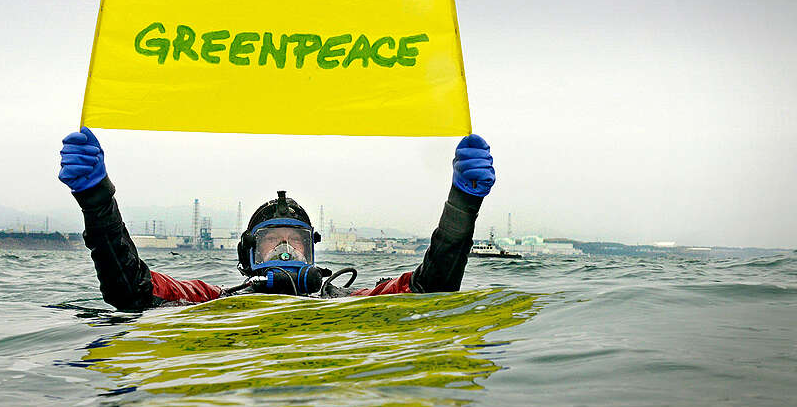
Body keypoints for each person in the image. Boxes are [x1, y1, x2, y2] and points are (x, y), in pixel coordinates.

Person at [58, 129, 496, 312]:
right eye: (272, 242)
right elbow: (133, 291)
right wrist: (97, 198)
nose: (286, 251)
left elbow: (428, 289)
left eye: (295, 242)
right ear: (249, 254)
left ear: (312, 251)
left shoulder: (344, 298)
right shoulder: (214, 301)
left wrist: (463, 203)